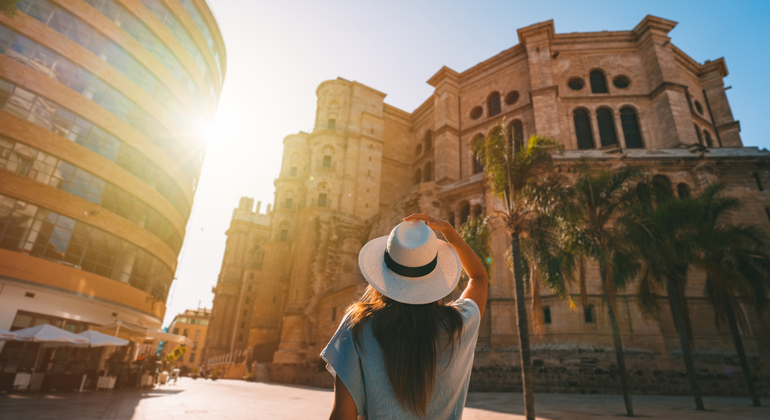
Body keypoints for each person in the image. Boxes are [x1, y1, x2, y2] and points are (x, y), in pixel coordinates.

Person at [322, 214, 488, 419]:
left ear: (383, 273)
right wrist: (451, 235)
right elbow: (479, 279)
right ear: (434, 274)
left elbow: (342, 414)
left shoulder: (358, 325)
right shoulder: (458, 326)